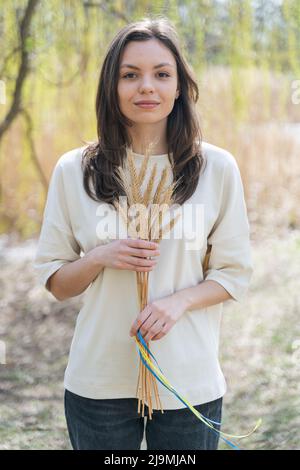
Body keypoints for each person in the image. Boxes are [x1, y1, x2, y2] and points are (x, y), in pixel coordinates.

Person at [34, 16, 253, 450]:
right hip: (99, 381)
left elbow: (234, 275)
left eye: (161, 74)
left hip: (187, 380)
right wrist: (100, 257)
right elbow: (56, 283)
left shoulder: (217, 168)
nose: (146, 87)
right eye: (130, 75)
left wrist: (178, 302)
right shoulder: (73, 169)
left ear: (179, 87)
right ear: (111, 88)